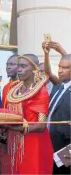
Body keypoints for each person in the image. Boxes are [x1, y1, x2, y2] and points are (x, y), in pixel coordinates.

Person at [2, 54, 53, 174]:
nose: (18, 69)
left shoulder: (41, 91)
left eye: (23, 66)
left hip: (34, 143)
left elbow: (41, 126)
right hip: (15, 142)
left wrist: (16, 128)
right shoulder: (14, 88)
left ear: (35, 69)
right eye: (18, 66)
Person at [43, 42, 71, 174]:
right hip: (50, 144)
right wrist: (46, 54)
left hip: (67, 149)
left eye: (65, 68)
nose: (60, 70)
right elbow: (48, 72)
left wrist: (61, 50)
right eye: (59, 67)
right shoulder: (59, 85)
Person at [0, 54, 19, 174]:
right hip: (5, 134)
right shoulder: (6, 87)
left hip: (19, 132)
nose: (8, 67)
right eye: (7, 65)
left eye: (12, 64)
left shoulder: (26, 88)